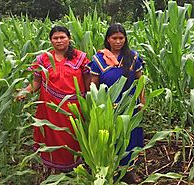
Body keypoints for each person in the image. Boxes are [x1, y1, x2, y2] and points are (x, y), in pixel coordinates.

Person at [17, 26, 91, 172]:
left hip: (73, 109)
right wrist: (25, 91)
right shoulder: (43, 59)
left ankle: (76, 169)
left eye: (62, 37)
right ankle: (52, 168)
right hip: (49, 109)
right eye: (55, 38)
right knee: (51, 137)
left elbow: (88, 82)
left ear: (69, 39)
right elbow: (36, 83)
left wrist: (91, 100)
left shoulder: (80, 58)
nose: (59, 41)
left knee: (72, 137)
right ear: (50, 40)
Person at [87, 23, 145, 184]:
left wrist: (142, 103)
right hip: (108, 107)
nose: (118, 41)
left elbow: (141, 82)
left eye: (121, 38)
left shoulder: (133, 57)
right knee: (112, 139)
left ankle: (127, 172)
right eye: (114, 38)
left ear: (125, 39)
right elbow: (94, 86)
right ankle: (111, 171)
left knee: (130, 138)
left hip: (130, 106)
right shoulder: (98, 60)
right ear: (108, 39)